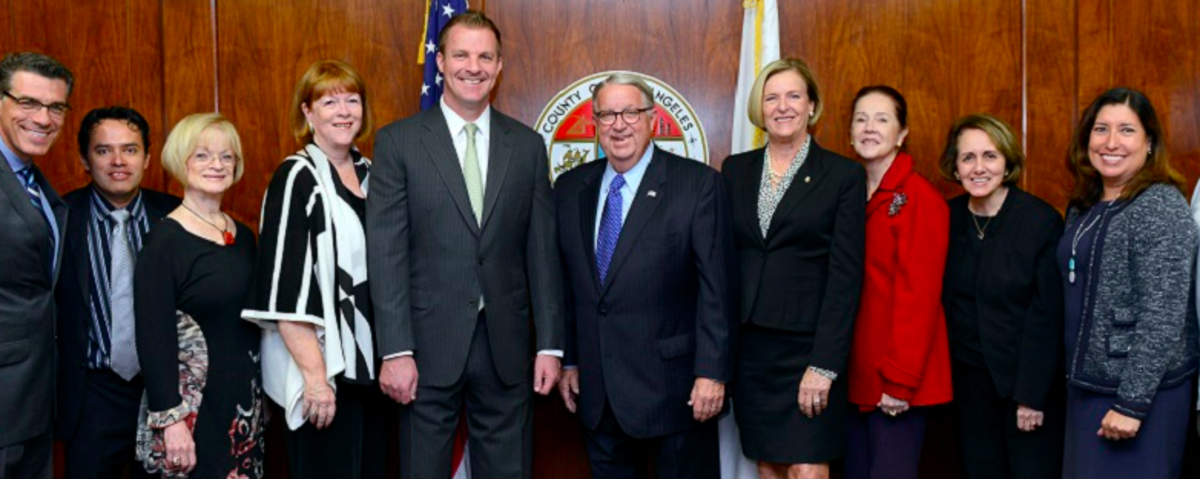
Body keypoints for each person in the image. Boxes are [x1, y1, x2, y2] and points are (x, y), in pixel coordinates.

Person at [367, 10, 563, 479]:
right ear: (439, 61)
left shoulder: (528, 146)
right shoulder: (399, 143)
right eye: (460, 55)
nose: (472, 67)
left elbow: (542, 252)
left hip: (508, 348)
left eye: (484, 57)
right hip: (424, 349)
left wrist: (551, 345)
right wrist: (394, 350)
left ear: (499, 67)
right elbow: (387, 252)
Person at [555, 73, 737, 479]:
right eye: (607, 115)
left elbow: (718, 291)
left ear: (652, 118)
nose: (619, 124)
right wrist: (569, 359)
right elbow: (566, 286)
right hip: (598, 393)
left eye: (630, 113)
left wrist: (712, 373)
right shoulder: (569, 189)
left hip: (677, 391)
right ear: (595, 123)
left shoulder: (697, 185)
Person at [243, 59, 391, 479]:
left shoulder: (373, 174)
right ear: (307, 113)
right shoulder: (297, 178)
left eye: (351, 100)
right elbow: (284, 290)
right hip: (327, 374)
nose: (344, 111)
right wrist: (315, 379)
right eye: (329, 101)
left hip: (374, 373)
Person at [720, 58, 864, 479]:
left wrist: (824, 365)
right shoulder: (735, 170)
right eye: (772, 97)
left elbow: (845, 278)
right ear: (760, 108)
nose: (783, 106)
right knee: (768, 463)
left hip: (809, 349)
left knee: (807, 467)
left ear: (812, 106)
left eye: (794, 96)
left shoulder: (842, 176)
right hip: (752, 350)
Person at [1058, 87, 1198, 479]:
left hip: (1138, 397)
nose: (1111, 142)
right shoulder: (1084, 205)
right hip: (1087, 388)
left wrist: (1132, 403)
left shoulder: (1159, 204)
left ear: (1149, 142)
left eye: (1127, 130)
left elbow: (1164, 314)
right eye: (1101, 129)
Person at [133, 113, 265, 478]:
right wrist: (171, 421)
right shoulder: (164, 241)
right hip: (190, 413)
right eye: (203, 155)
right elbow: (152, 337)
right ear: (182, 160)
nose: (217, 165)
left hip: (242, 405)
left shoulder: (244, 236)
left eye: (227, 156)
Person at [937, 114, 1064, 479]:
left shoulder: (1040, 221)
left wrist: (1031, 396)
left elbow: (1047, 317)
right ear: (955, 166)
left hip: (1025, 387)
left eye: (990, 156)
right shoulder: (948, 217)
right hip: (967, 387)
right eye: (968, 158)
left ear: (1007, 161)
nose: (979, 168)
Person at [55, 106, 180, 479]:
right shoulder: (59, 217)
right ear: (83, 159)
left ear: (147, 157)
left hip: (163, 393)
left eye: (129, 149)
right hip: (91, 395)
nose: (117, 161)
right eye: (103, 150)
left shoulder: (177, 217)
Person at [844, 85, 952, 479]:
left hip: (897, 381)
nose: (870, 128)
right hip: (860, 378)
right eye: (861, 119)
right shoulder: (851, 192)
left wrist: (900, 382)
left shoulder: (919, 198)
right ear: (849, 132)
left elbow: (918, 297)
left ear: (902, 133)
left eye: (882, 119)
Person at [0, 51, 72, 479]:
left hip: (34, 399)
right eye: (28, 103)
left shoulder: (36, 184)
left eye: (55, 107)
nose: (43, 119)